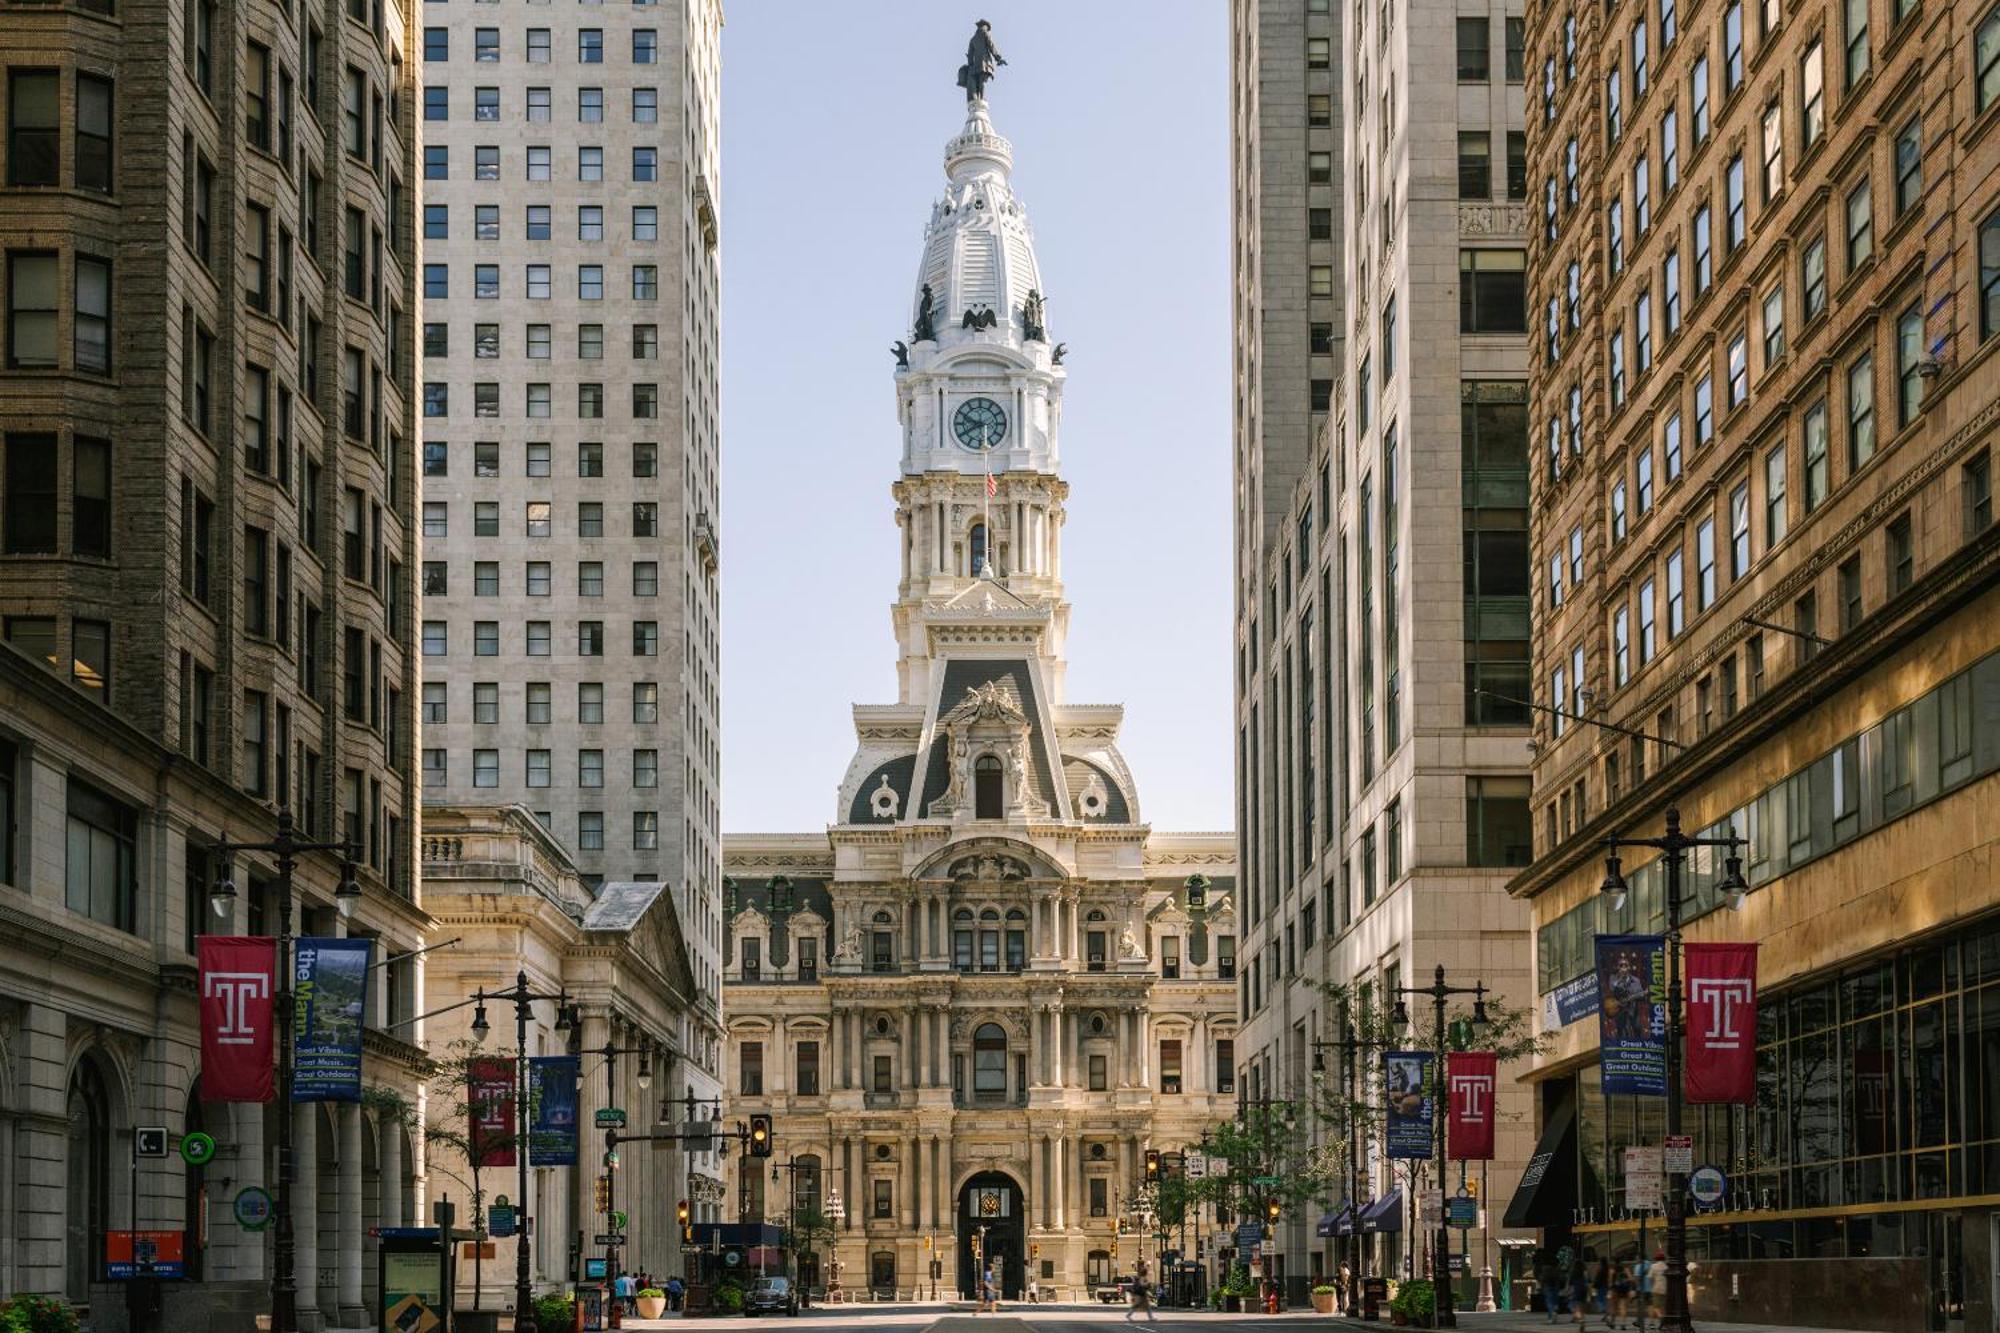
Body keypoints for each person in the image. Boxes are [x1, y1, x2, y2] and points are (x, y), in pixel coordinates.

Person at [1611, 1258, 1635, 1330]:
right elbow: (1631, 1279)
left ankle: (1613, 1323)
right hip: (1624, 1289)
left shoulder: (1612, 1270)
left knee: (1614, 1307)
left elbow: (1610, 1281)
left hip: (1615, 1290)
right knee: (1623, 1307)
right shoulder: (1625, 1269)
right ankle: (1623, 1324)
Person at [1567, 1255, 1590, 1327]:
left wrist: (1568, 1291)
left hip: (1577, 1289)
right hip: (1584, 1289)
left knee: (1574, 1305)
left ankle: (1580, 1319)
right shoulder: (1584, 1272)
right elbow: (1588, 1281)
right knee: (1581, 1305)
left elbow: (1570, 1284)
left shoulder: (1573, 1272)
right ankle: (1579, 1318)